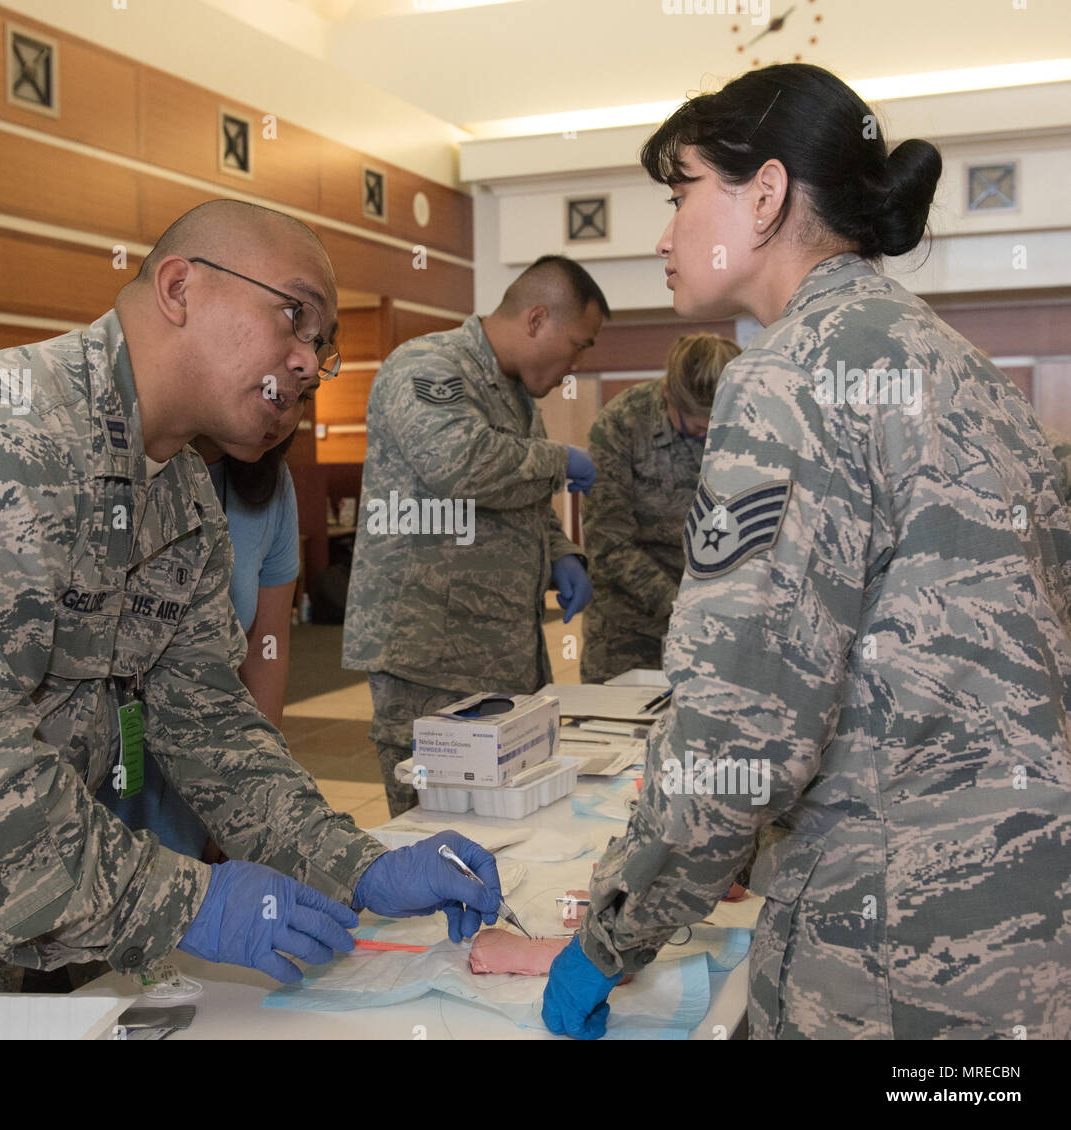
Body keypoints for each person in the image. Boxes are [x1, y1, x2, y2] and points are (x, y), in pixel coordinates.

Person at [0, 199, 503, 1039]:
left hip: (15, 923)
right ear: (180, 286)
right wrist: (186, 903)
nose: (309, 364)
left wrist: (353, 864)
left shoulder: (181, 495)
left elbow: (208, 725)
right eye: (294, 316)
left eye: (324, 345)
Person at [543, 64, 1071, 1040]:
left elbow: (739, 731)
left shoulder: (789, 376)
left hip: (883, 952)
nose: (662, 236)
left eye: (680, 192)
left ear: (767, 193)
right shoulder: (967, 371)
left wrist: (612, 930)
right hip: (1024, 930)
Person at [342, 256, 608, 817]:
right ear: (536, 319)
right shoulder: (430, 366)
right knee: (435, 835)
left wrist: (561, 552)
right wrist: (559, 459)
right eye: (579, 345)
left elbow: (520, 493)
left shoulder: (514, 394)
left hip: (502, 653)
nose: (575, 365)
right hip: (429, 660)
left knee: (510, 833)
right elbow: (458, 462)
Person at [94, 413, 305, 865]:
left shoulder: (266, 484)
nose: (286, 407)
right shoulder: (107, 460)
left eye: (305, 395)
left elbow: (267, 647)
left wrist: (242, 811)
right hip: (86, 774)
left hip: (198, 755)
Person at [581, 333, 740, 682]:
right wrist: (681, 606)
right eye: (698, 429)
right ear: (668, 393)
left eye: (717, 428)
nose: (708, 439)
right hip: (629, 631)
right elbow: (607, 545)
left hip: (719, 626)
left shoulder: (747, 425)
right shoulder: (622, 424)